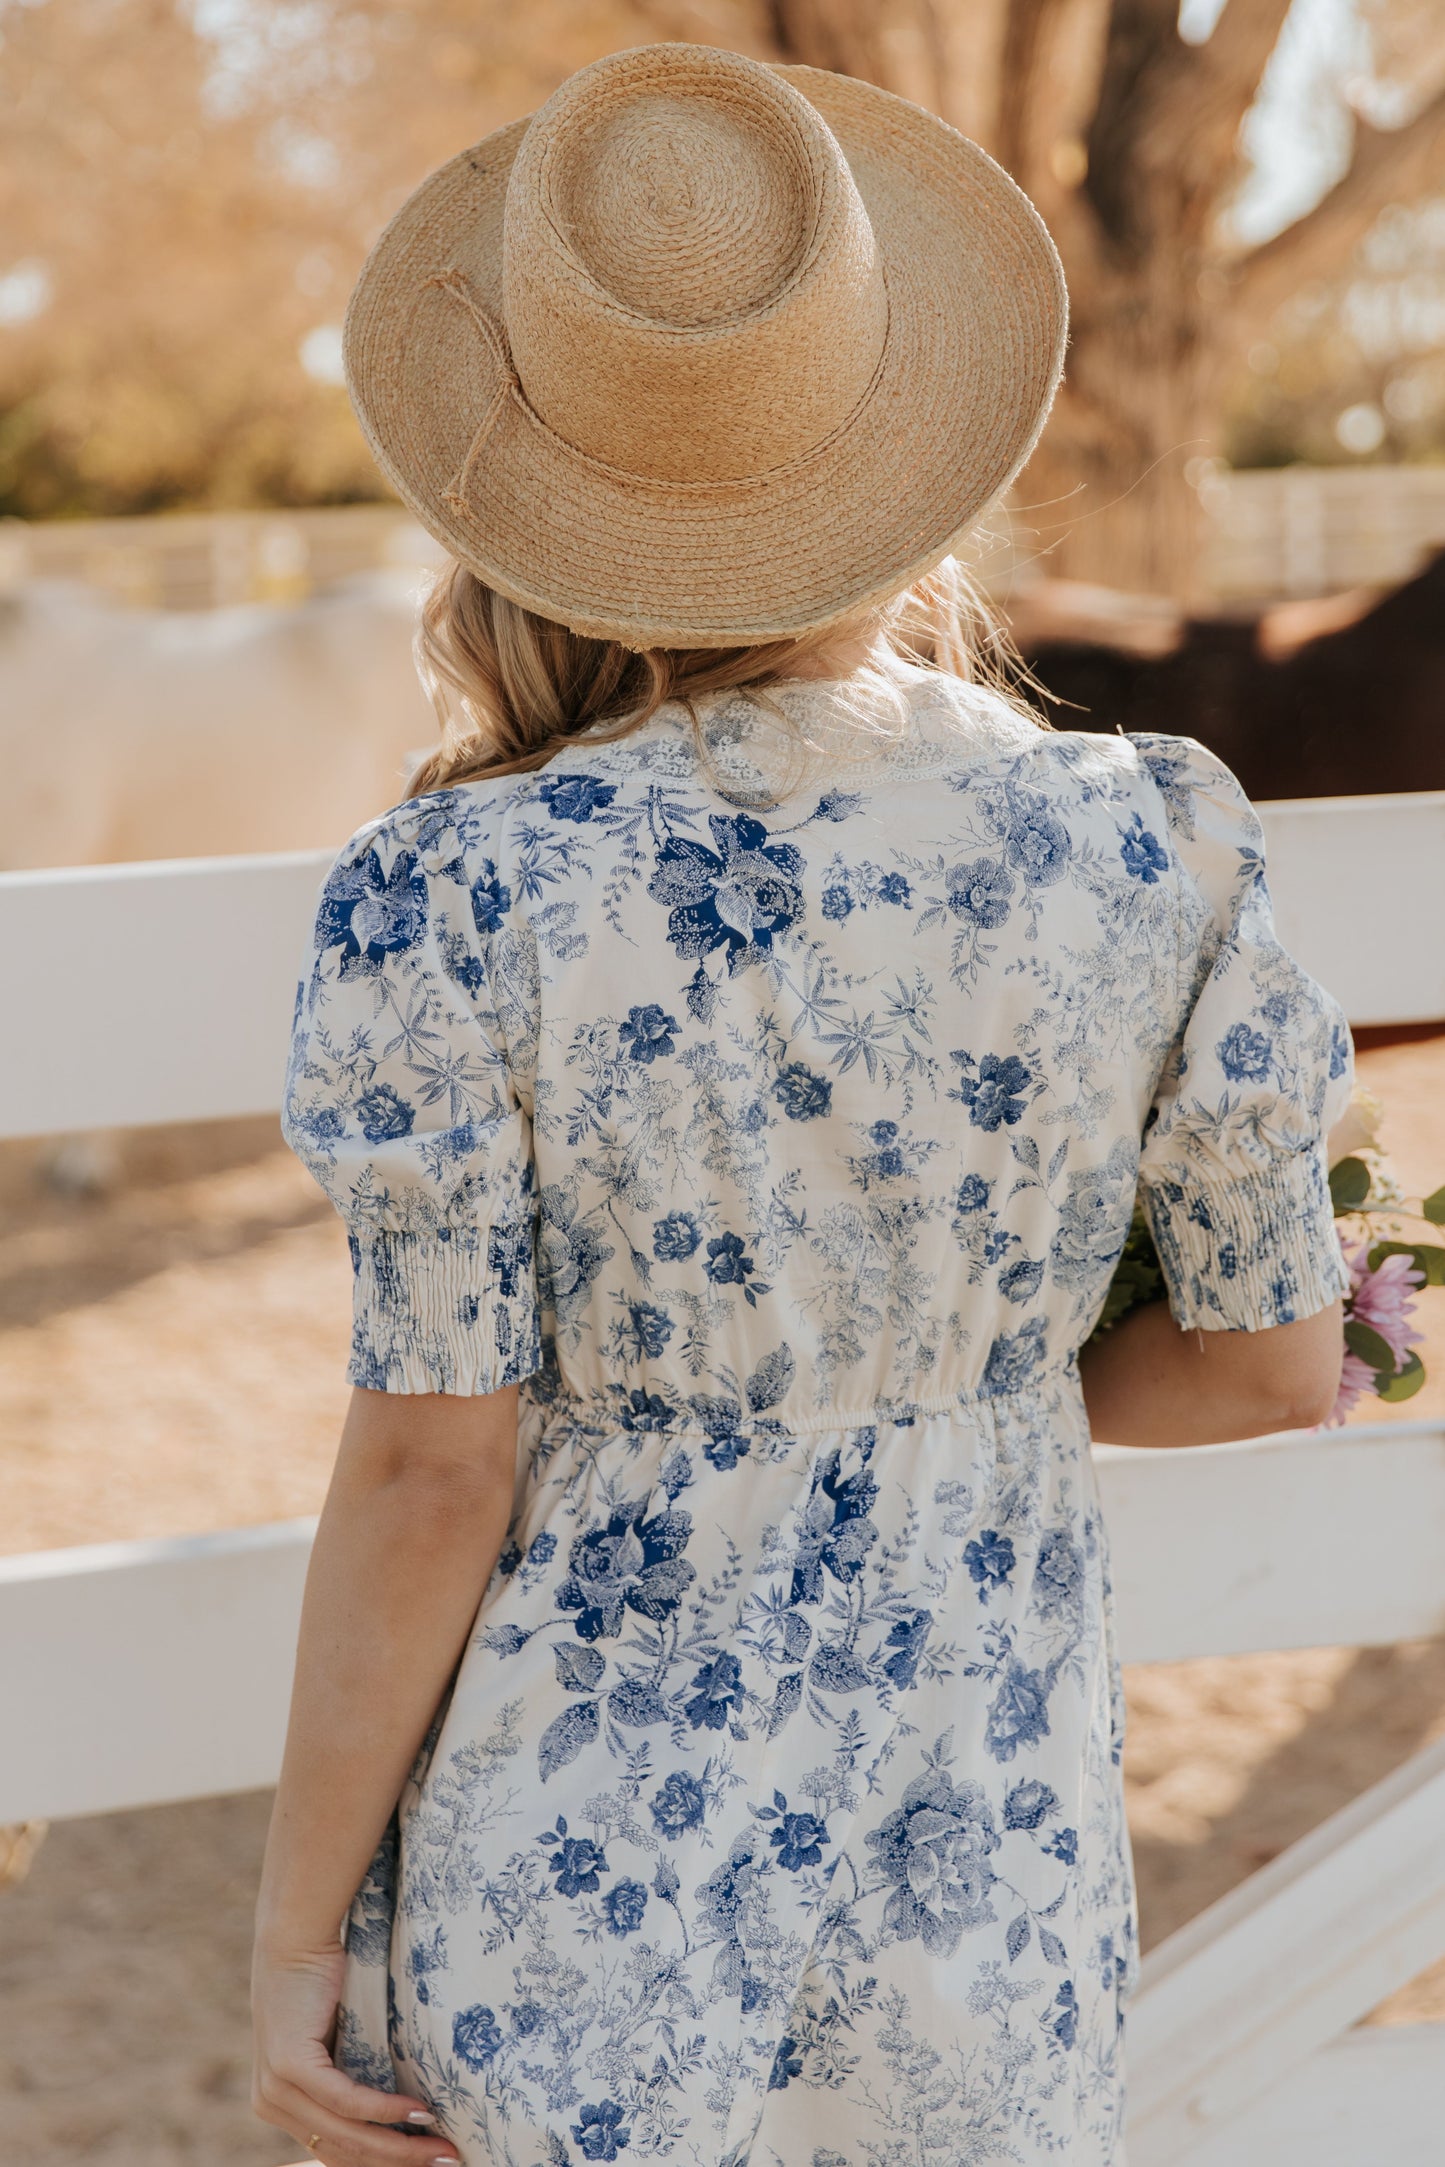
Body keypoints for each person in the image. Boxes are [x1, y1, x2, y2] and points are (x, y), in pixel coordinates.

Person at [250, 43, 1348, 2167]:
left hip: (581, 1893)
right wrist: (956, 1379)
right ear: (894, 445)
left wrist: (296, 1934)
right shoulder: (1159, 846)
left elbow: (425, 1477)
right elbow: (1273, 1362)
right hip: (991, 1899)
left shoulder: (462, 891)